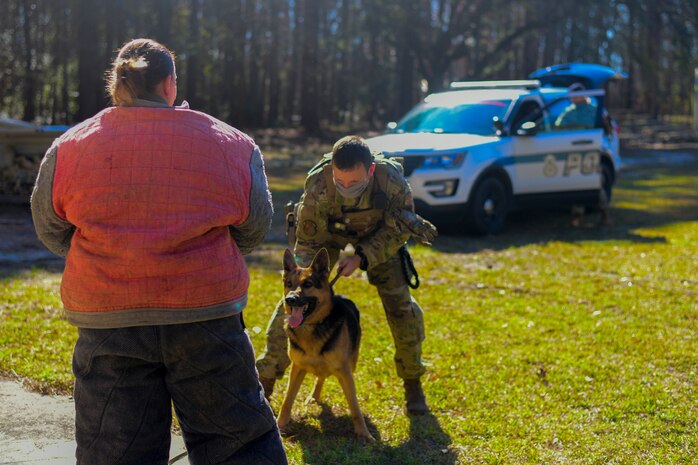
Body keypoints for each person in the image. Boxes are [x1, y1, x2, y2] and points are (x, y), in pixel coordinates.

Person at [31, 38, 287, 465]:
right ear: (170, 84)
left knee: (114, 452)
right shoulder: (230, 142)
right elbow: (254, 228)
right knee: (238, 444)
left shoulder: (71, 145)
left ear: (118, 84)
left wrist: (112, 253)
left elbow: (50, 228)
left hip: (108, 318)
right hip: (206, 315)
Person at [255, 135, 437, 415]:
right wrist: (309, 276)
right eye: (341, 181)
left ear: (371, 170)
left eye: (355, 182)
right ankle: (265, 379)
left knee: (402, 307)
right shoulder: (318, 184)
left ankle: (413, 382)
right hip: (326, 235)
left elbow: (398, 229)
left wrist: (363, 256)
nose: (346, 187)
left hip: (378, 238)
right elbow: (308, 240)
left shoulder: (391, 181)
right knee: (295, 300)